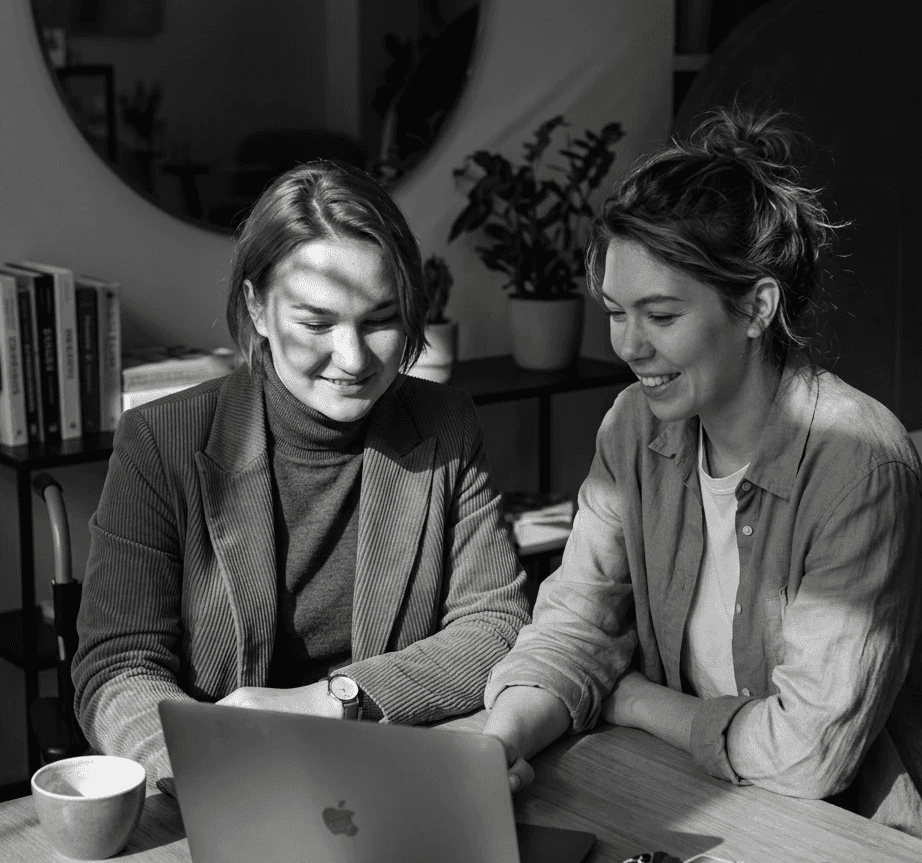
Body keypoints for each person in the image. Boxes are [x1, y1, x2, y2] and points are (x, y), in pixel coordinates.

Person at [482, 108, 922, 837]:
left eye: (660, 315)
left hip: (847, 833)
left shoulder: (859, 467)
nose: (628, 344)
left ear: (756, 307)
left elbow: (807, 755)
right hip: (688, 792)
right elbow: (573, 625)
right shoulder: (632, 427)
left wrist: (635, 701)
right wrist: (494, 746)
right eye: (615, 312)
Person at [73, 160, 529, 786]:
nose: (352, 358)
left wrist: (333, 700)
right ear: (257, 309)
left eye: (380, 320)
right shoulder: (161, 441)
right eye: (316, 323)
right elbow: (117, 667)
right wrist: (201, 771)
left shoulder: (444, 422)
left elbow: (497, 627)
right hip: (228, 782)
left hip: (389, 771)